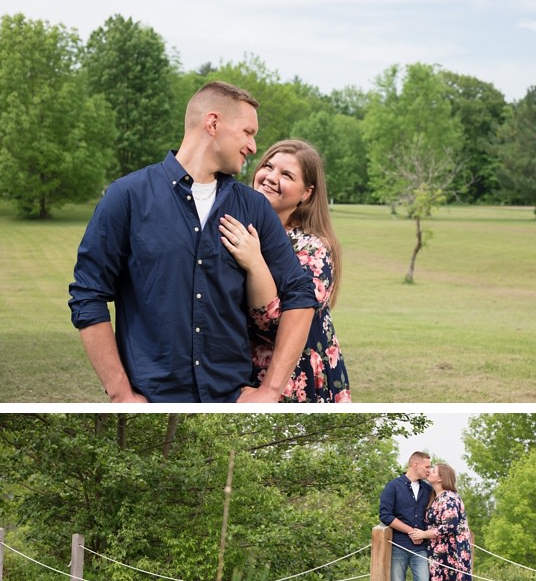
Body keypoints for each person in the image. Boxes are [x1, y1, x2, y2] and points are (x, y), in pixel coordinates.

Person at [69, 80, 317, 402]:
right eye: (247, 132)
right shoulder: (128, 197)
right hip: (155, 398)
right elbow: (88, 295)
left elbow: (300, 293)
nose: (254, 147)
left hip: (231, 398)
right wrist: (121, 394)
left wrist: (271, 390)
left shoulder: (253, 207)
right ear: (213, 123)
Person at [218, 138, 350, 401]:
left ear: (306, 193)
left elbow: (275, 323)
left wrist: (255, 263)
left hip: (290, 379)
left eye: (287, 175)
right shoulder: (236, 226)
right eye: (268, 166)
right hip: (236, 371)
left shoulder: (313, 250)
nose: (271, 177)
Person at [379, 452, 436, 581]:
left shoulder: (428, 490)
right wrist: (411, 531)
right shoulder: (393, 486)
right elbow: (385, 515)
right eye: (427, 466)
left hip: (421, 548)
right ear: (414, 464)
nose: (429, 470)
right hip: (398, 546)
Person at [415, 462, 472, 581]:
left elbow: (449, 525)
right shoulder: (435, 497)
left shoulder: (450, 497)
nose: (429, 472)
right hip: (436, 551)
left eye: (433, 471)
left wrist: (424, 534)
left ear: (441, 478)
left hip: (452, 550)